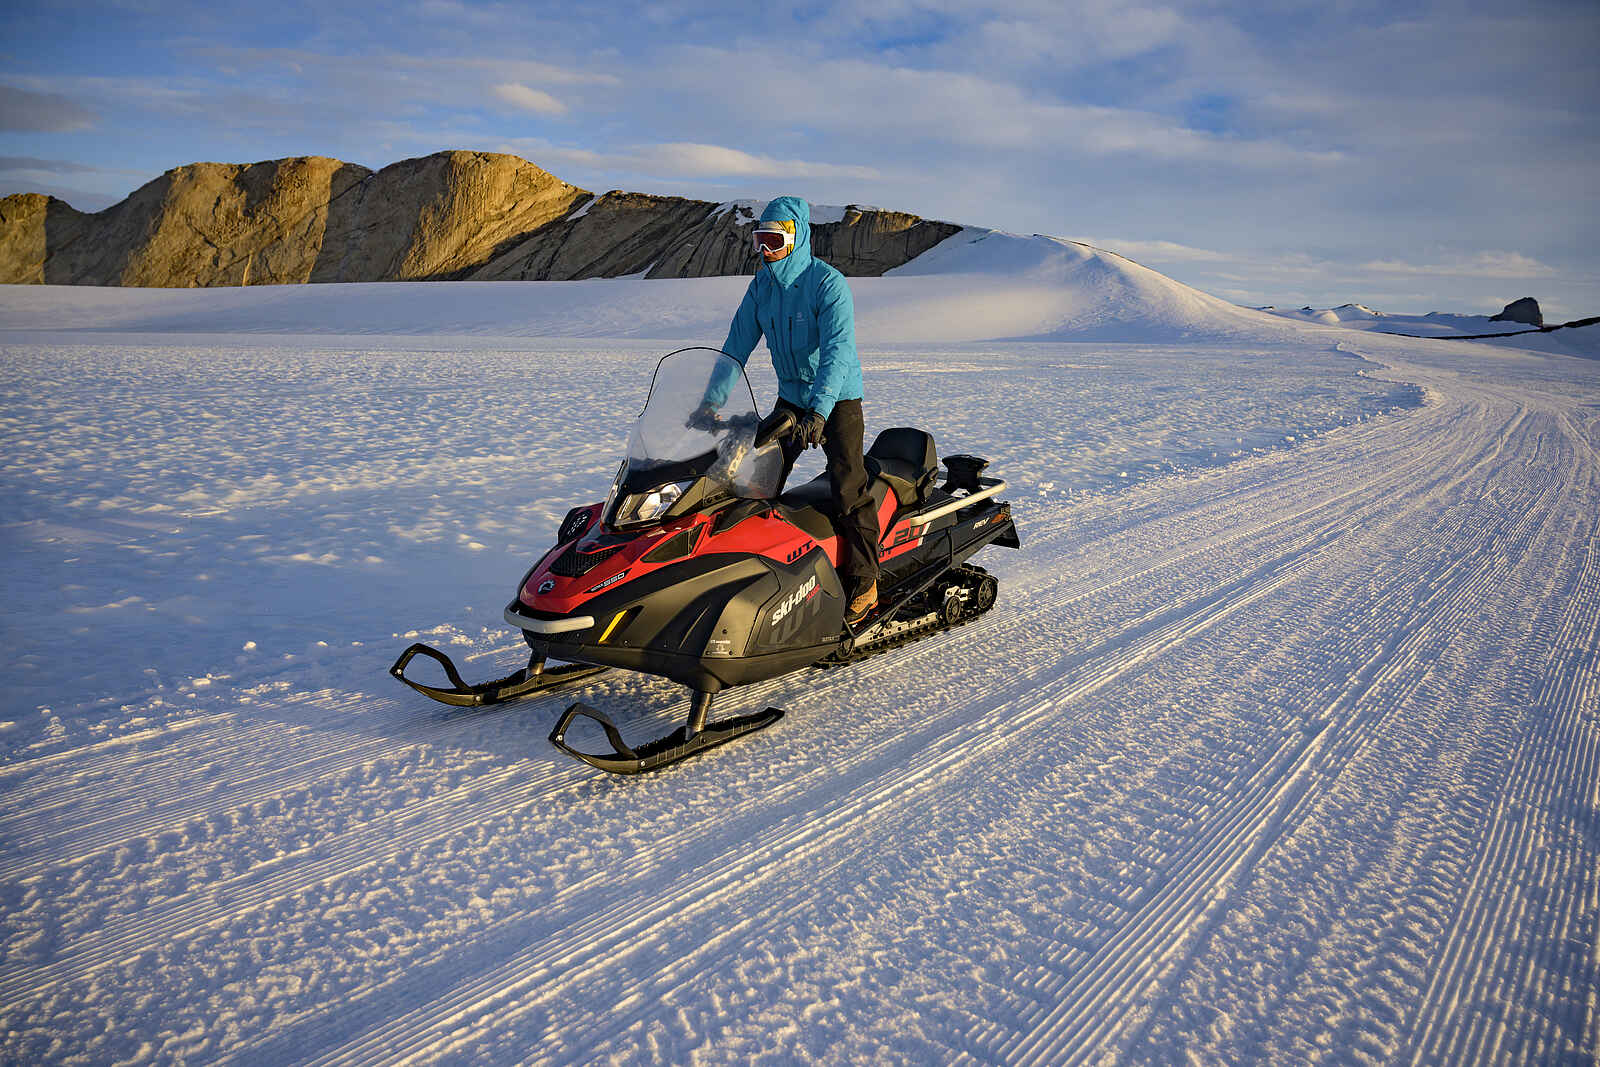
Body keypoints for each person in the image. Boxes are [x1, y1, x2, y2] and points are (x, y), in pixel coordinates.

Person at [718, 195, 879, 623]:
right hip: (791, 398)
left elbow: (836, 354)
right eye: (759, 241)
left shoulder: (827, 284)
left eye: (774, 240)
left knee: (847, 488)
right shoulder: (761, 286)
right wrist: (711, 403)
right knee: (755, 480)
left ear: (796, 238)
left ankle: (866, 581)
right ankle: (756, 575)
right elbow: (736, 346)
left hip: (837, 399)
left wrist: (820, 412)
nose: (765, 251)